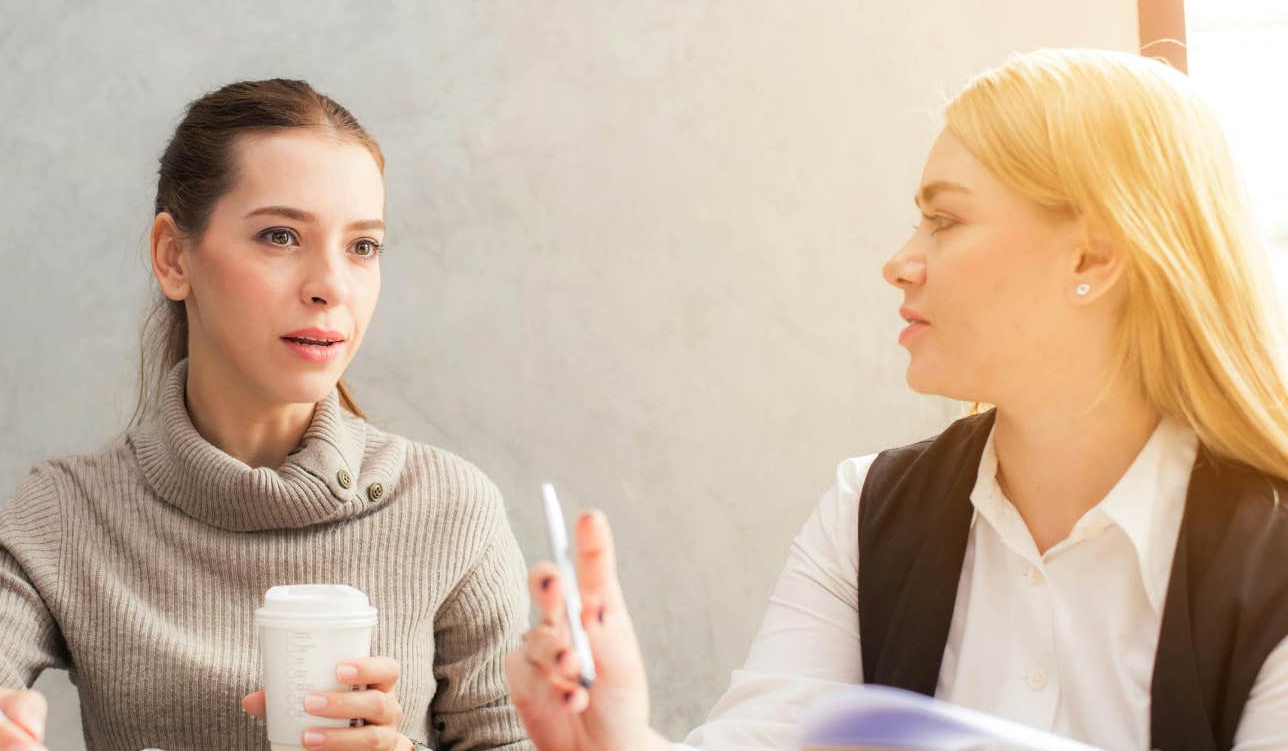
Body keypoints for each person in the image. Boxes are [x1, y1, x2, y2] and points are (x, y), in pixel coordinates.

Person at [506, 49, 1288, 751]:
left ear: (1092, 256)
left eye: (944, 219)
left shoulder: (1270, 561)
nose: (899, 262)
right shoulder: (866, 510)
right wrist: (619, 740)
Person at [0, 79, 532, 751]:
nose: (330, 286)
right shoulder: (67, 512)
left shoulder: (453, 510)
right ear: (173, 256)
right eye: (280, 235)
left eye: (362, 246)